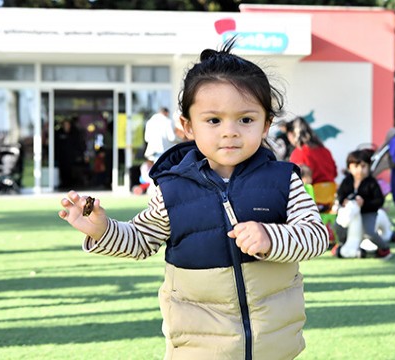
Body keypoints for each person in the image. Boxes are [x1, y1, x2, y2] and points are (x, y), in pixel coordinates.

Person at [58, 40, 329, 359]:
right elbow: (142, 240)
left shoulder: (284, 179)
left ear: (266, 123)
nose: (230, 132)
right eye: (214, 120)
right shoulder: (172, 188)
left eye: (246, 119)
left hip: (273, 346)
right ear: (188, 126)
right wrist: (102, 230)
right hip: (198, 349)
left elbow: (317, 236)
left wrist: (271, 236)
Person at [331, 149, 394, 260]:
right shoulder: (347, 181)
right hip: (349, 211)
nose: (360, 170)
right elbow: (340, 194)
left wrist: (365, 203)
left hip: (367, 212)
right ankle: (342, 243)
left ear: (368, 167)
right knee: (338, 225)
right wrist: (343, 201)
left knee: (369, 231)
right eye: (356, 166)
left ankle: (383, 248)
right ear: (349, 167)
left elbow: (379, 200)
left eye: (363, 166)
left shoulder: (371, 182)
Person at [286, 116, 337, 184]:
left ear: (292, 134)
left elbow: (295, 179)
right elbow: (335, 173)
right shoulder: (326, 151)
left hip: (311, 193)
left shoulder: (298, 153)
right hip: (330, 191)